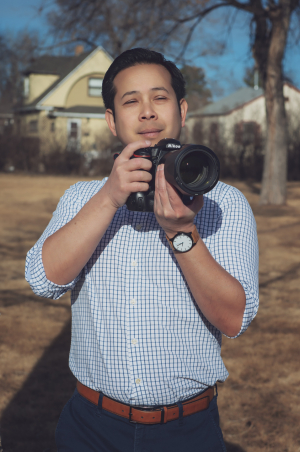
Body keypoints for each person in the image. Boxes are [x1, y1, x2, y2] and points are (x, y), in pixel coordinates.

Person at [25, 48, 259, 452]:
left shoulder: (224, 202)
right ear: (112, 121)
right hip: (90, 427)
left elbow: (234, 319)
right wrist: (108, 199)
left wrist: (182, 231)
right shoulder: (84, 197)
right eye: (131, 101)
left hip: (187, 429)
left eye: (160, 97)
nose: (147, 112)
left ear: (182, 110)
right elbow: (42, 279)